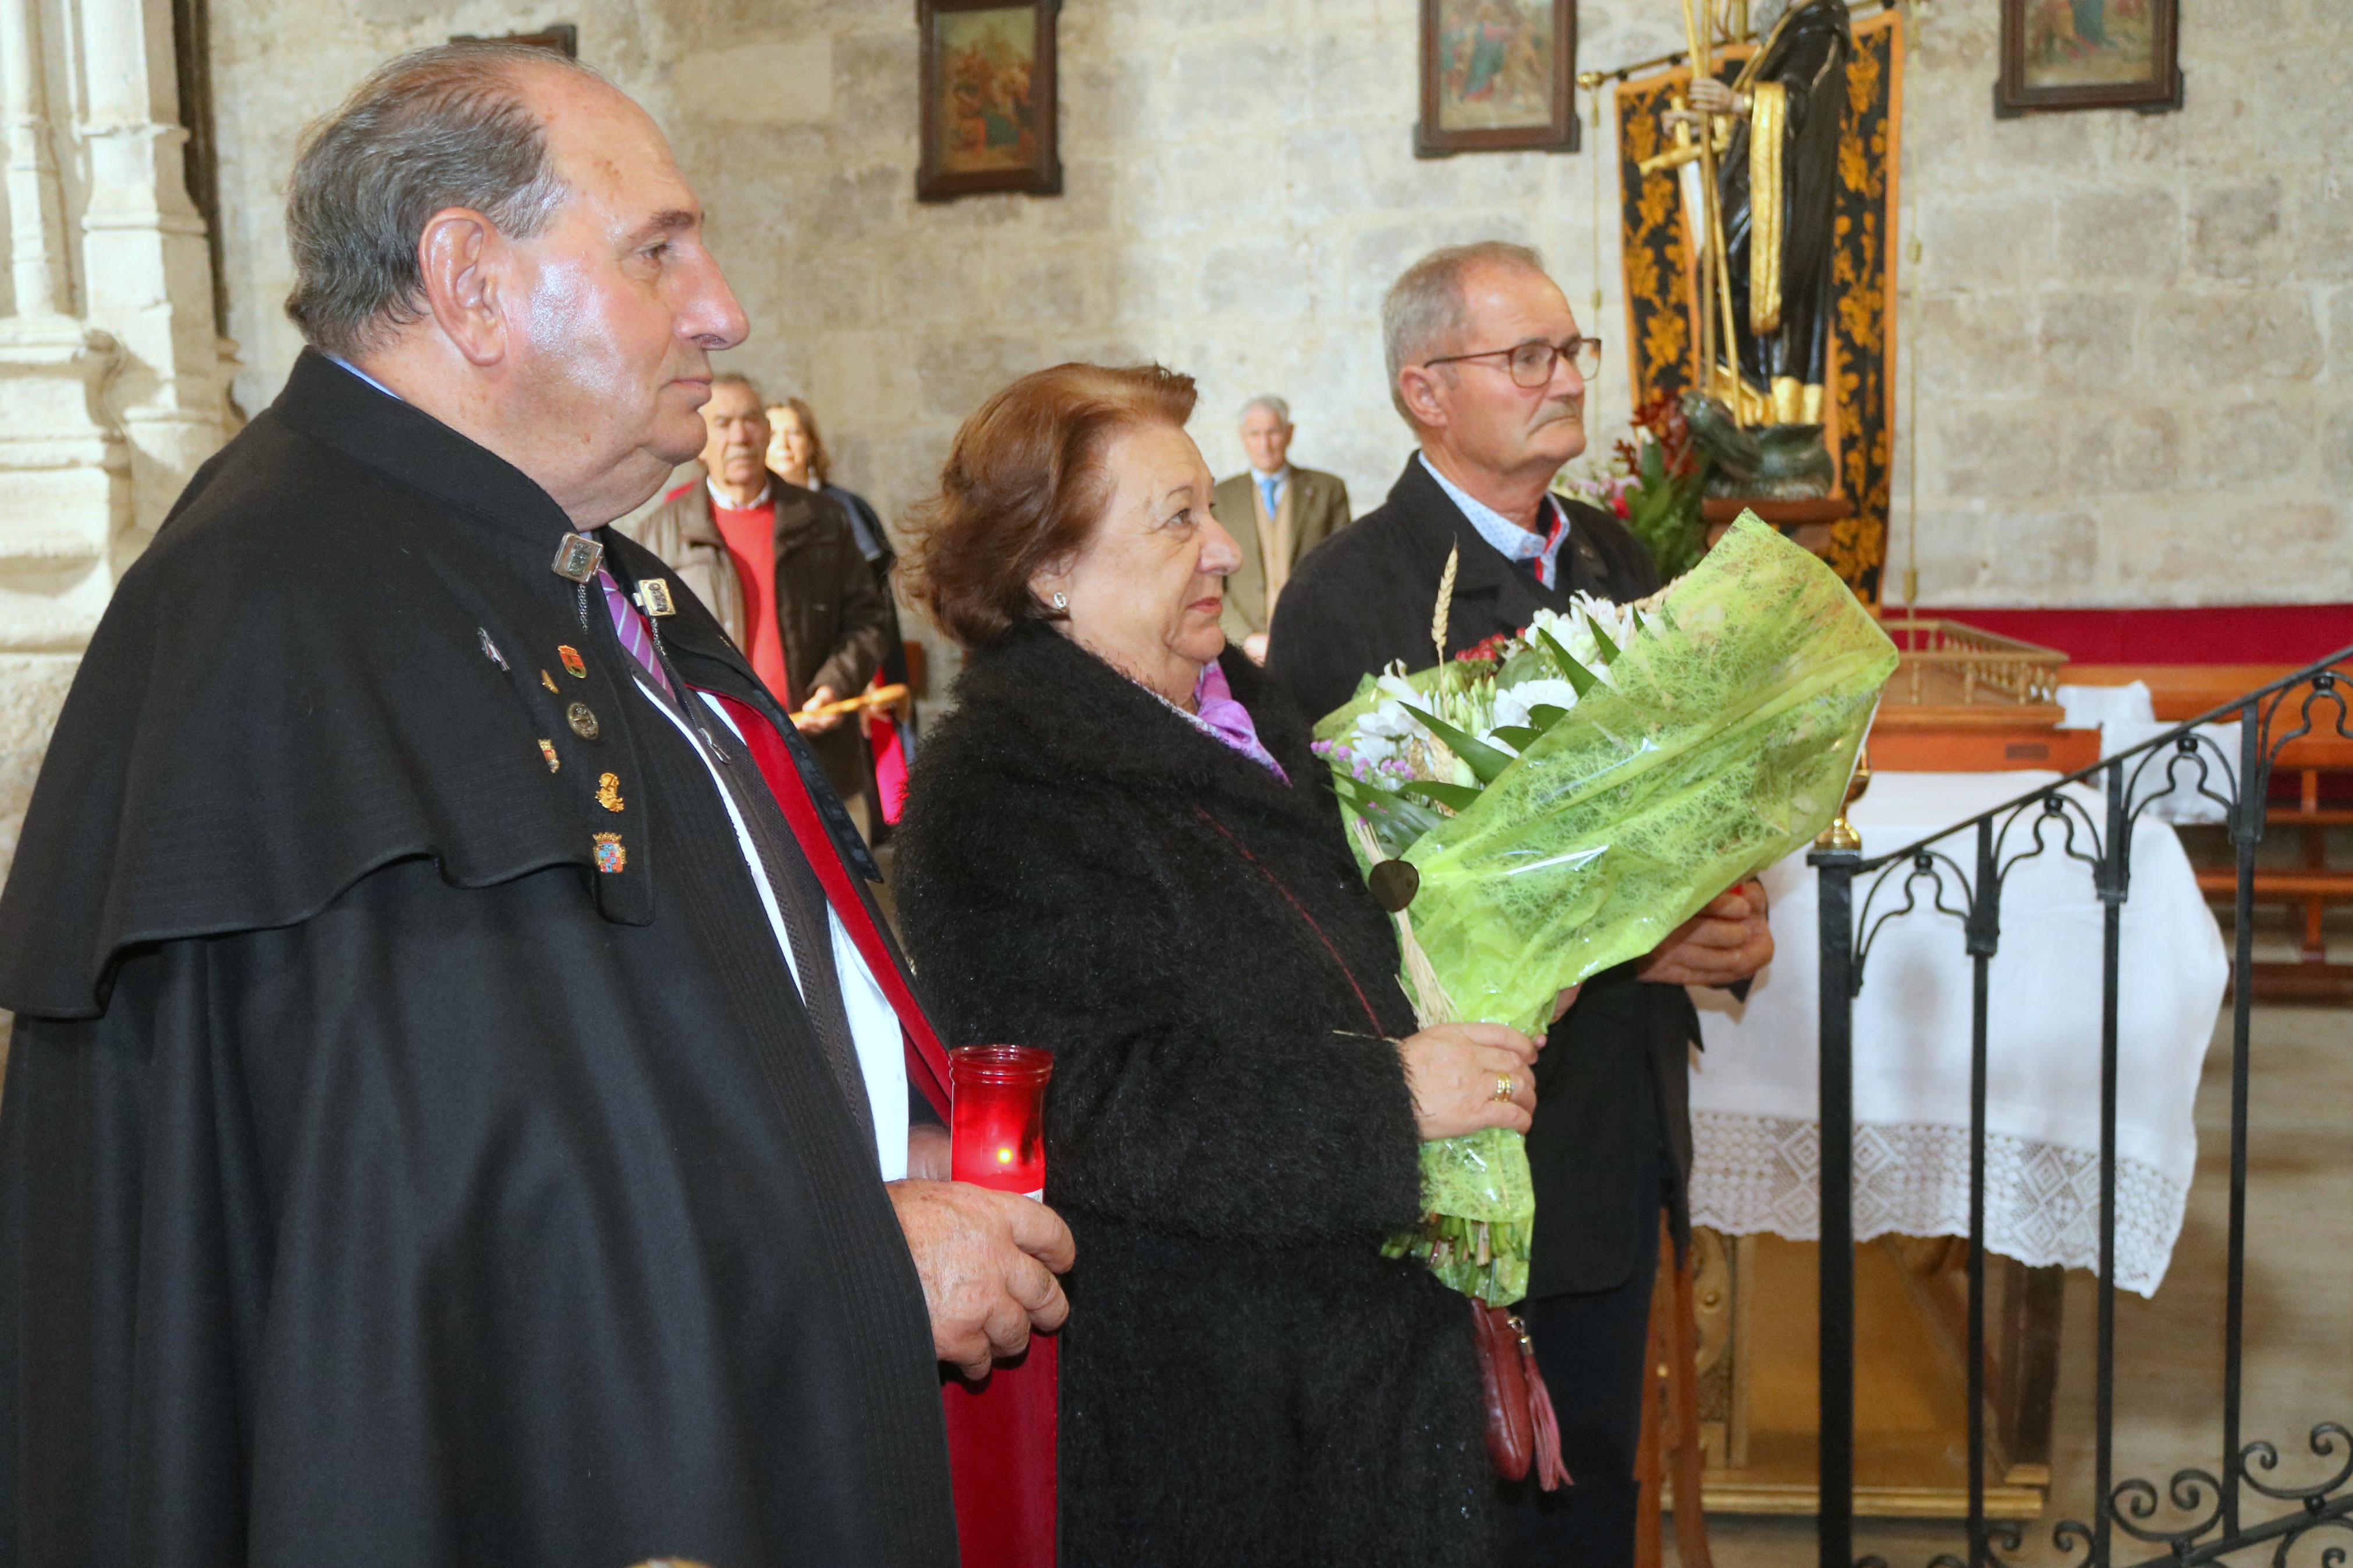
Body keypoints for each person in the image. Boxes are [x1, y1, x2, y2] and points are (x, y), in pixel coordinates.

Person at [0, 42, 1073, 1565]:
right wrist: (843, 1255)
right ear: (471, 279)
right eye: (657, 250)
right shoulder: (286, 612)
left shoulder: (554, 568)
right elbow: (397, 1226)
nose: (725, 308)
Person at [893, 362, 1564, 1568]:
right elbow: (1090, 1100)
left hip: (1353, 1368)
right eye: (1176, 518)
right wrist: (1390, 1099)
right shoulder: (1001, 790)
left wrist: (1497, 971)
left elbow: (1336, 959)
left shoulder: (1236, 712)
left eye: (1210, 508)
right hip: (1214, 1405)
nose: (1223, 551)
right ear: (1047, 569)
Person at [1268, 242, 1773, 1567]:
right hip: (1471, 1153)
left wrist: (1724, 908)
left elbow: (1669, 808)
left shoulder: (1616, 556)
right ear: (1423, 391)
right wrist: (1628, 945)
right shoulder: (1349, 595)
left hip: (1614, 1136)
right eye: (1526, 358)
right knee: (1474, 1504)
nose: (1564, 381)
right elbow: (1358, 899)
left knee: (1590, 1493)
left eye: (1571, 353)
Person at [626, 375, 890, 819]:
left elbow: (868, 619)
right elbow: (643, 647)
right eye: (723, 422)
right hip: (722, 766)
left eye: (751, 419)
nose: (740, 435)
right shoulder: (659, 535)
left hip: (820, 762)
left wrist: (835, 683)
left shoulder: (824, 519)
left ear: (767, 431)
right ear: (699, 440)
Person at [768, 394, 920, 830]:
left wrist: (852, 671)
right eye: (773, 434)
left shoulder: (843, 509)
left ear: (812, 443)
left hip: (848, 669)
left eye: (793, 432)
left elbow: (871, 605)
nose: (783, 444)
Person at [1208, 394, 1351, 663]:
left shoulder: (1327, 490)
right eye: (1254, 434)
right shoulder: (1221, 497)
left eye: (1273, 432)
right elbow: (1212, 580)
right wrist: (1246, 638)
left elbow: (1343, 575)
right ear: (1242, 437)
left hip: (1313, 644)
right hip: (1243, 649)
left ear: (1289, 433)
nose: (1264, 444)